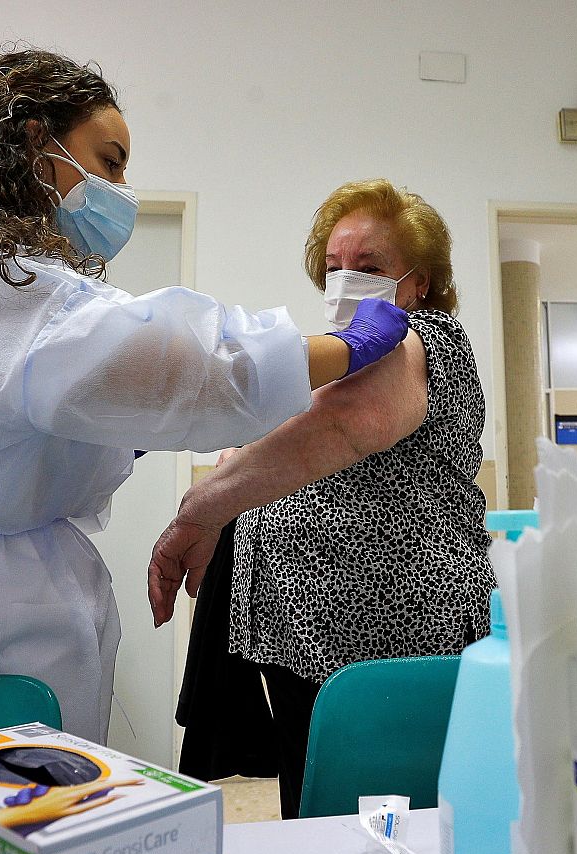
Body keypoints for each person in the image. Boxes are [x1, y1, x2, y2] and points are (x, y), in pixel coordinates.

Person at [0, 50, 411, 741]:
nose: (121, 189)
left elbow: (21, 415)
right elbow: (195, 366)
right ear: (32, 142)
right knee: (11, 824)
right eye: (109, 161)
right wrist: (350, 347)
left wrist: (126, 440)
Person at [150, 179, 497, 817]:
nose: (344, 280)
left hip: (389, 632)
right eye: (334, 266)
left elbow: (333, 430)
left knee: (384, 813)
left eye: (368, 268)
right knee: (310, 795)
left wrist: (200, 511)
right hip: (302, 634)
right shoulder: (343, 358)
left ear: (416, 283)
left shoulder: (431, 340)